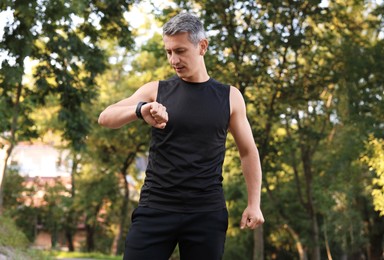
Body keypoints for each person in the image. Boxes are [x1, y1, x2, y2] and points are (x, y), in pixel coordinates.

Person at [98, 12, 264, 260]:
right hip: (156, 207)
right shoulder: (157, 90)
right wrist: (140, 111)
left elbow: (248, 151)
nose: (173, 60)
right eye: (168, 52)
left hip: (206, 213)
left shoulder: (230, 97)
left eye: (180, 51)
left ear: (202, 46)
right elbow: (106, 117)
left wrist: (254, 203)